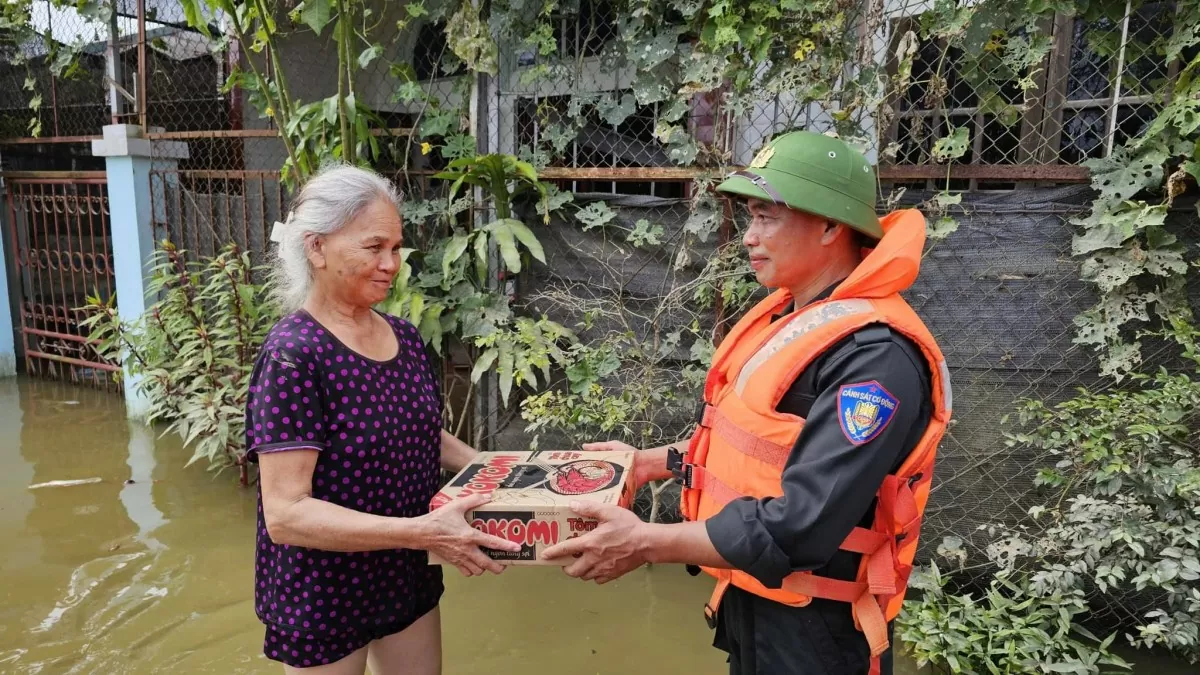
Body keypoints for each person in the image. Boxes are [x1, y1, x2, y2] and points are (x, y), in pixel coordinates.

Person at [543, 130, 953, 675]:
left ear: (832, 226)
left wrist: (645, 543)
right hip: (757, 602)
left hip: (818, 632)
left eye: (766, 217)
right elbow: (751, 444)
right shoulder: (794, 319)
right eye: (750, 218)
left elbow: (802, 523)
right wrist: (651, 463)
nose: (748, 238)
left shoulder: (877, 360)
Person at [245, 164, 521, 675]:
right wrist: (421, 532)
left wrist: (498, 470)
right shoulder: (294, 356)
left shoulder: (404, 337)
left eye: (396, 247)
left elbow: (416, 431)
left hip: (402, 570)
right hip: (324, 590)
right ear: (316, 247)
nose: (391, 263)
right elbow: (286, 515)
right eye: (374, 247)